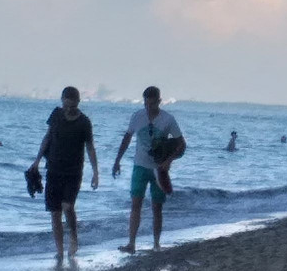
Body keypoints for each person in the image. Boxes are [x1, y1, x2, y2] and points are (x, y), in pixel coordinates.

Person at [112, 86, 185, 253]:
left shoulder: (168, 120)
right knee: (135, 203)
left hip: (159, 169)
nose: (148, 107)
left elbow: (181, 143)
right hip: (140, 166)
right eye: (146, 103)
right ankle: (131, 243)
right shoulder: (137, 116)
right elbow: (127, 137)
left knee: (156, 206)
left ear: (159, 101)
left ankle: (156, 244)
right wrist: (117, 161)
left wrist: (169, 161)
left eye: (152, 104)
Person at [29, 86, 98, 261]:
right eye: (66, 106)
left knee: (68, 207)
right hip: (53, 169)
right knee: (54, 212)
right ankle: (59, 251)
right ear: (62, 101)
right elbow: (48, 137)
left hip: (73, 172)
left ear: (78, 103)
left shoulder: (84, 122)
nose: (68, 110)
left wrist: (96, 172)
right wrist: (36, 161)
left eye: (72, 107)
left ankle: (74, 238)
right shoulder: (56, 116)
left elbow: (90, 147)